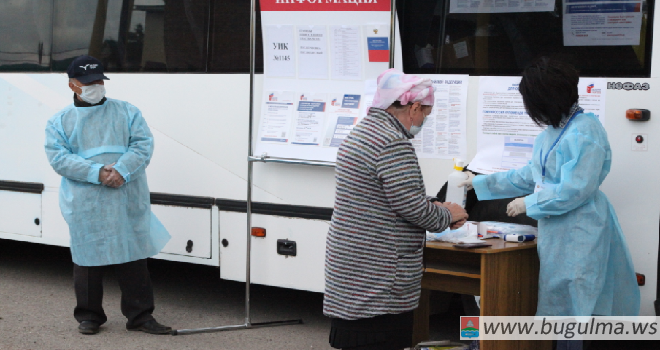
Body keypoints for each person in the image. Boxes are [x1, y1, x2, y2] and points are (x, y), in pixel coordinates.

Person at [459, 58, 640, 350]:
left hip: (582, 228)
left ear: (546, 98)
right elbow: (530, 176)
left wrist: (528, 204)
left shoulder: (586, 131)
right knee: (559, 303)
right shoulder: (552, 132)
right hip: (557, 230)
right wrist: (480, 182)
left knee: (578, 302)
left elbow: (576, 189)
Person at [323, 68, 469, 350]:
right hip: (379, 276)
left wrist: (428, 204)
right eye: (425, 113)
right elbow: (413, 208)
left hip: (352, 266)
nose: (424, 120)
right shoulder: (393, 142)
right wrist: (449, 213)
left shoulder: (363, 132)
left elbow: (386, 196)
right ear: (413, 107)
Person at [44, 55, 172, 335]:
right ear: (73, 85)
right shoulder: (60, 121)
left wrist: (122, 171)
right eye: (88, 82)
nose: (95, 86)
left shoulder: (127, 112)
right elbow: (59, 159)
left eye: (99, 81)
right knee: (88, 259)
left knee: (133, 257)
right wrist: (99, 172)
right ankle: (89, 316)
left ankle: (140, 316)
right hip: (85, 201)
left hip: (126, 195)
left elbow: (142, 145)